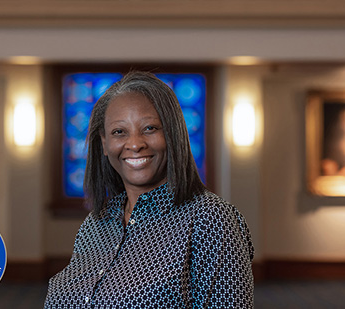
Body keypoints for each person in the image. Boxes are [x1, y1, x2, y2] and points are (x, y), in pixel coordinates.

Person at [44, 71, 254, 308]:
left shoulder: (211, 219)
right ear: (104, 143)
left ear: (172, 135)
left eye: (150, 128)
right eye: (119, 132)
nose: (135, 144)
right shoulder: (96, 223)